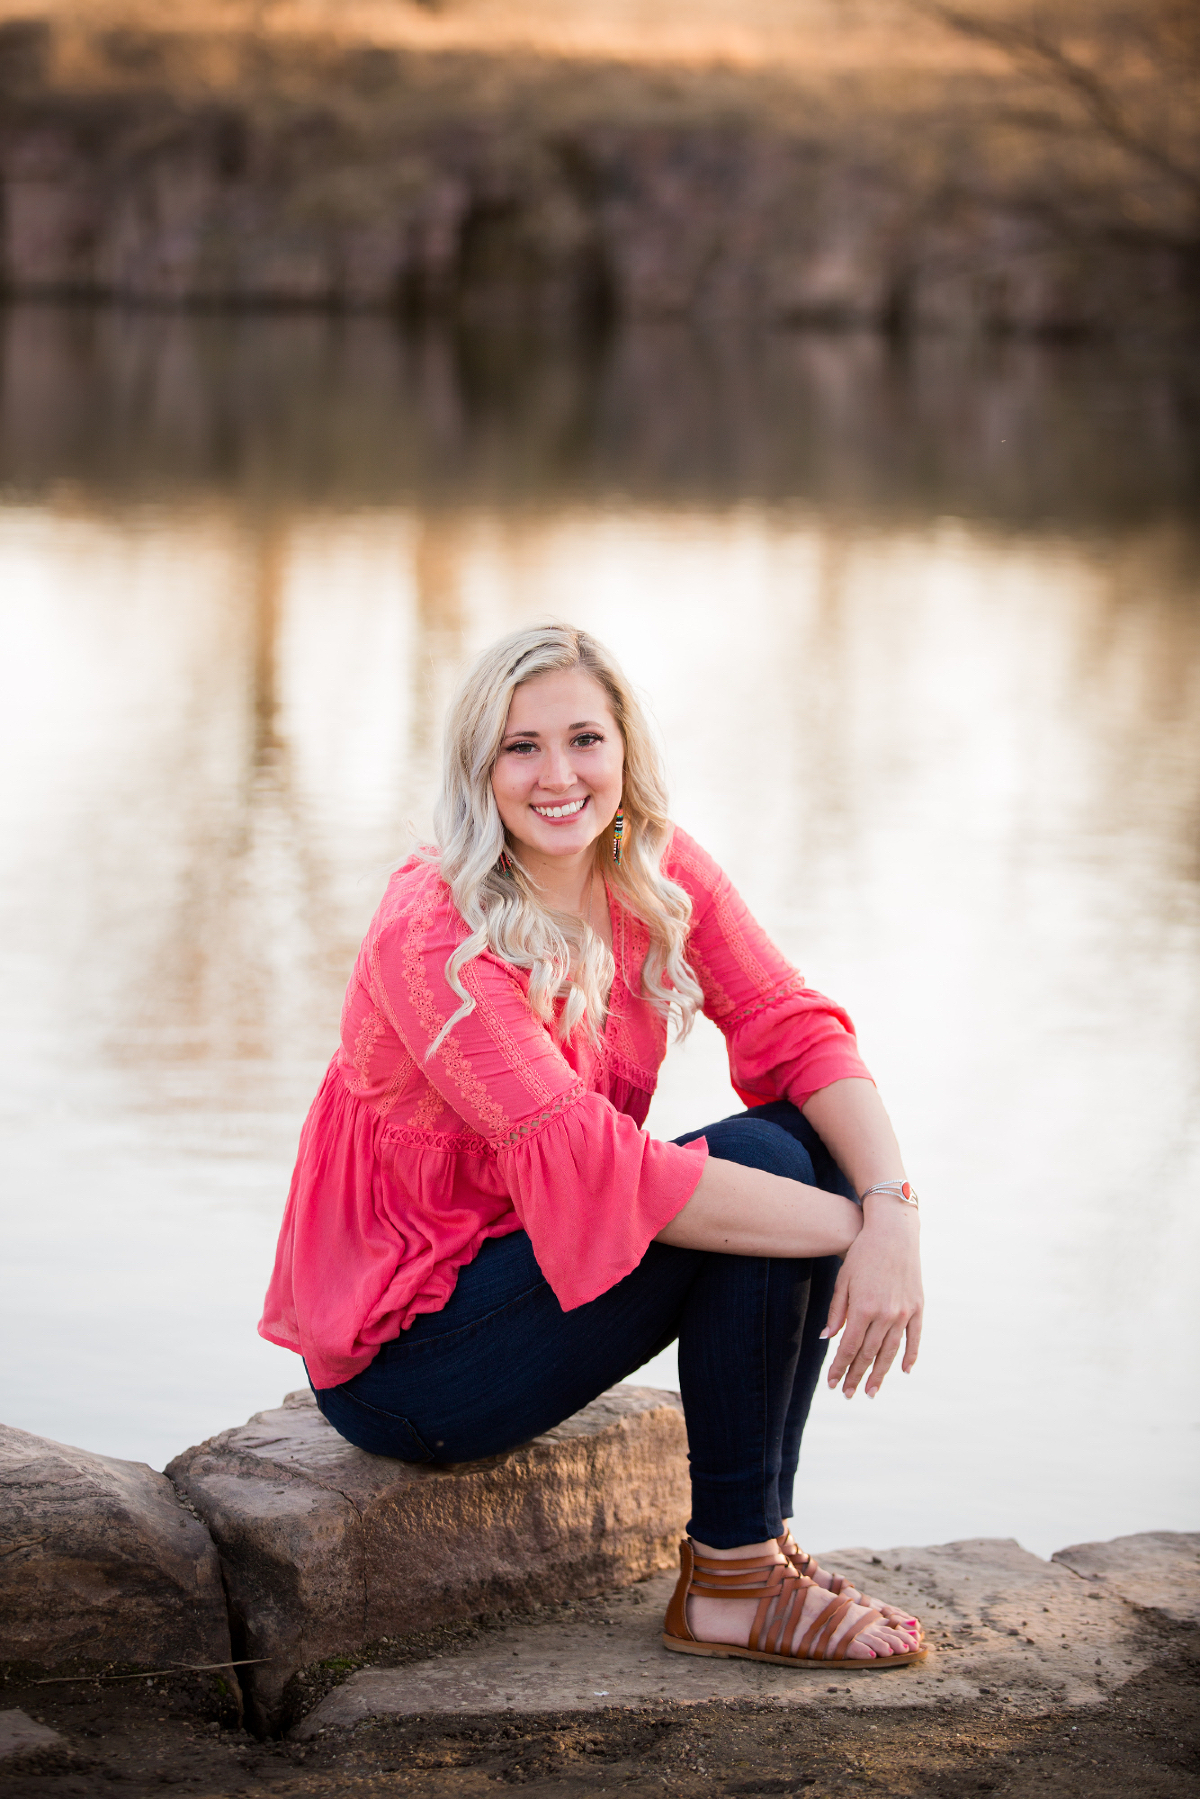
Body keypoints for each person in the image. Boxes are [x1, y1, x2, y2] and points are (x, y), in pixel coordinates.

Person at [260, 623, 926, 1669]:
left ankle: (755, 1547)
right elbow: (600, 1171)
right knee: (771, 1181)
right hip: (409, 1361)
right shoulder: (433, 934)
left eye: (583, 739)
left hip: (527, 1280)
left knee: (803, 1141)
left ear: (624, 748)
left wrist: (892, 1202)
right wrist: (858, 1234)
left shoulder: (648, 866)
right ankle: (734, 1578)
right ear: (478, 769)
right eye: (521, 747)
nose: (559, 776)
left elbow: (793, 1026)